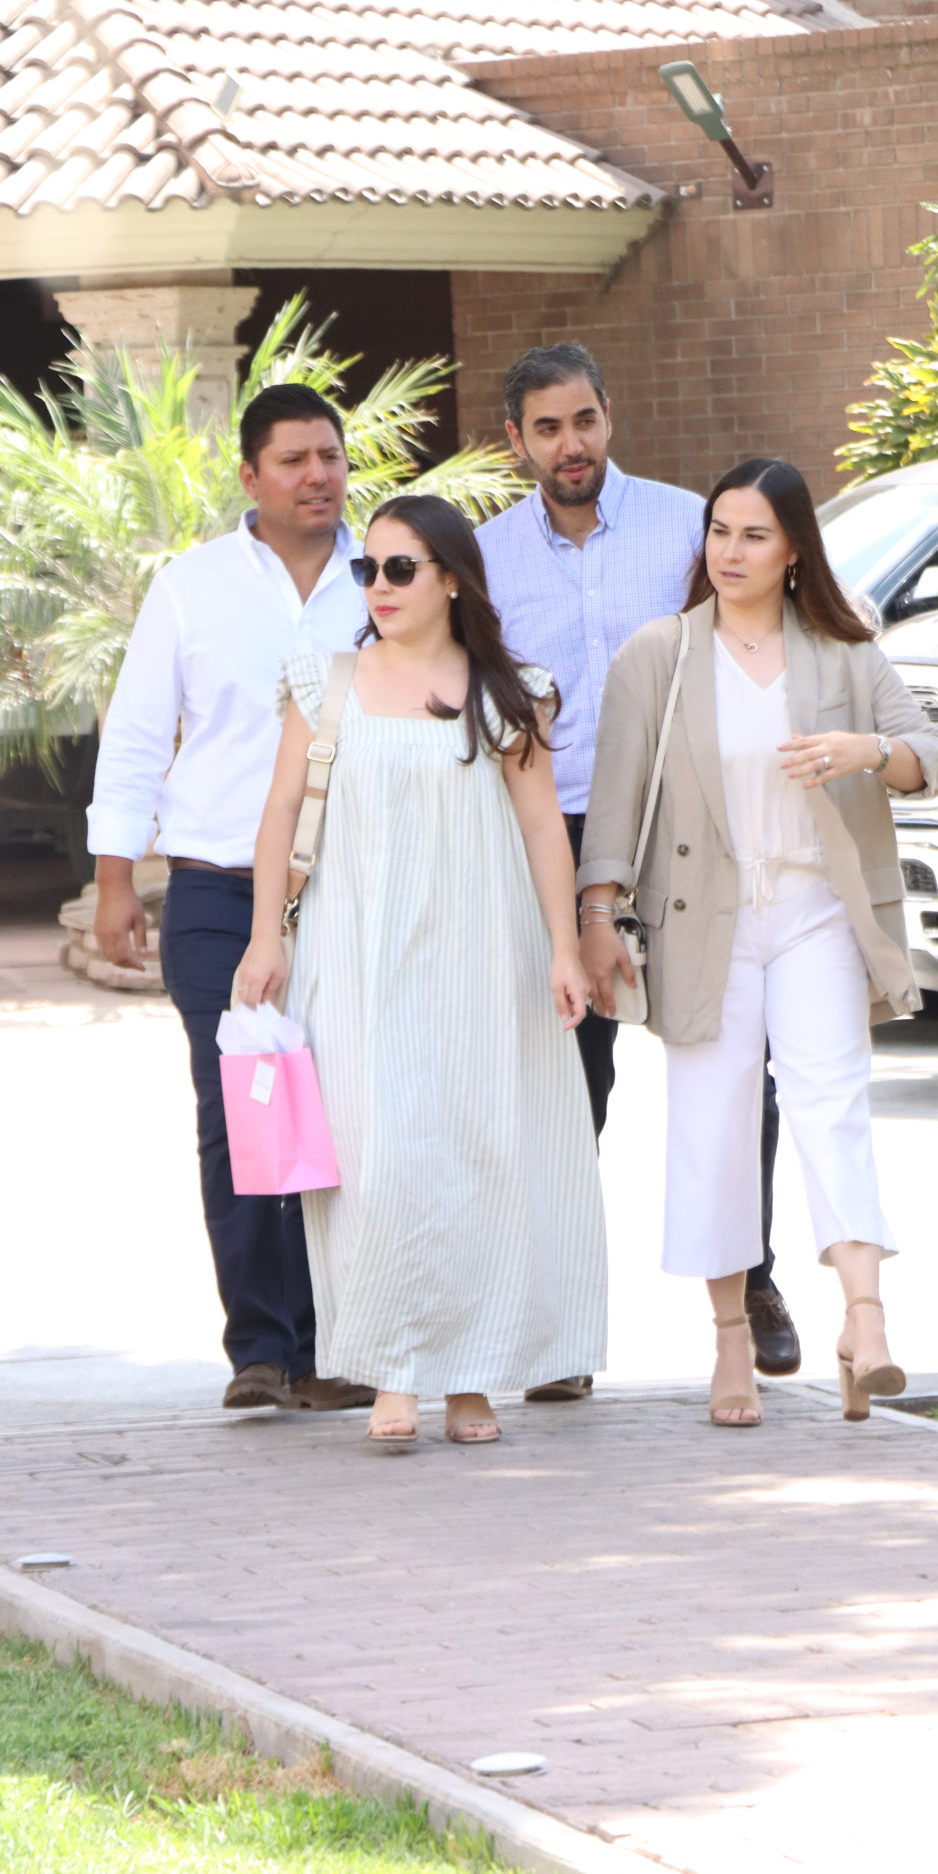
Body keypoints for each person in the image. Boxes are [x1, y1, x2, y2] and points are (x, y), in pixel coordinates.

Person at [578, 457, 938, 1428]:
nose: (730, 551)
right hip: (706, 921)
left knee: (834, 1102)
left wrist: (861, 750)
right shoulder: (658, 655)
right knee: (716, 1118)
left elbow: (929, 754)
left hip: (816, 909)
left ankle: (865, 1323)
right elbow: (611, 812)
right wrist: (597, 923)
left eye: (754, 534)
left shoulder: (842, 652)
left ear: (794, 551)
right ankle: (731, 1340)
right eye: (719, 531)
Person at [235, 493, 606, 1447]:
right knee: (377, 1161)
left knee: (481, 1153)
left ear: (450, 577)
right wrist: (264, 938)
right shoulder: (324, 682)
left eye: (400, 568)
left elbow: (539, 829)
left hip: (484, 952)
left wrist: (564, 948)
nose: (380, 587)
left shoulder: (507, 689)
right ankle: (394, 1368)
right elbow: (279, 814)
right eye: (370, 570)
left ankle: (471, 1377)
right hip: (355, 954)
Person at [477, 343, 801, 1390]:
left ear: (609, 415)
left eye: (584, 420)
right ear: (517, 440)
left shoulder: (680, 528)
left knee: (731, 1050)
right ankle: (559, 1322)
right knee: (570, 1079)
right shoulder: (483, 557)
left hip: (686, 827)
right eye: (547, 428)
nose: (570, 445)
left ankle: (750, 1277)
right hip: (550, 839)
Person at [87, 384, 372, 1414]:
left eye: (331, 455)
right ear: (249, 476)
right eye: (293, 459)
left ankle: (339, 1343)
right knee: (244, 1108)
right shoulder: (193, 586)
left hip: (350, 885)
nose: (317, 475)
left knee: (343, 1107)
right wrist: (116, 877)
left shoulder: (386, 575)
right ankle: (262, 1346)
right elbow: (134, 735)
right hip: (213, 889)